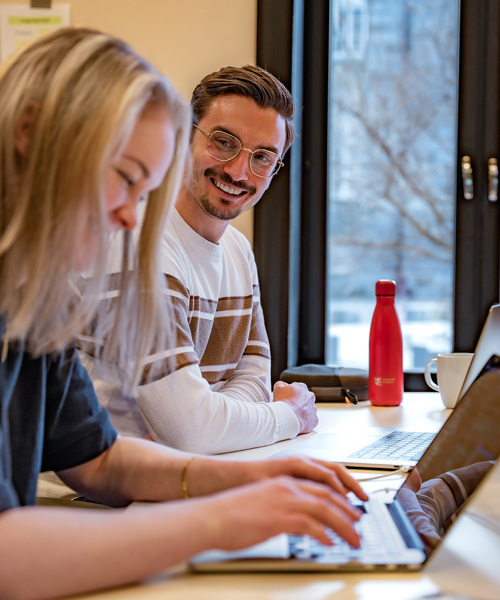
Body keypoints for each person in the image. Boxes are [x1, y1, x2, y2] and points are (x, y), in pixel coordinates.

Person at [0, 27, 369, 600]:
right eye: (124, 180)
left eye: (145, 192)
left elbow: (97, 460)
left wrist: (252, 477)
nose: (130, 220)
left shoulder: (32, 302)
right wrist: (218, 519)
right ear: (29, 134)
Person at [82, 64, 318, 454]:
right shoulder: (141, 244)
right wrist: (289, 416)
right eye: (224, 142)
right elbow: (192, 432)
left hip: (178, 475)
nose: (239, 171)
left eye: (262, 157)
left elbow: (252, 381)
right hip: (93, 498)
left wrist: (207, 421)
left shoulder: (238, 251)